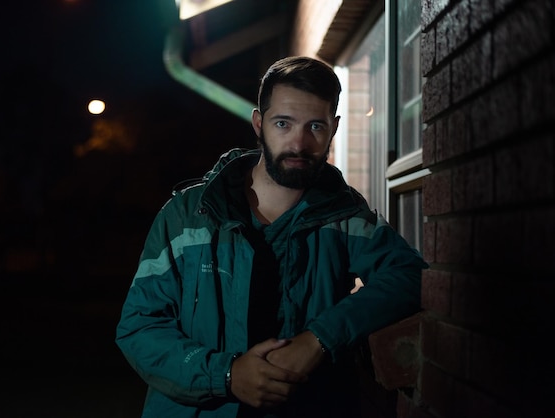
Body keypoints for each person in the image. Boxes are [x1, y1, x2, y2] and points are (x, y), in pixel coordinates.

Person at [116, 56, 427, 417]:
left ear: (334, 128)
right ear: (258, 123)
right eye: (283, 123)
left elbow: (409, 274)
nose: (299, 143)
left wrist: (319, 340)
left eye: (315, 126)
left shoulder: (344, 216)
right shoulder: (190, 215)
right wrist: (228, 374)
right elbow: (139, 326)